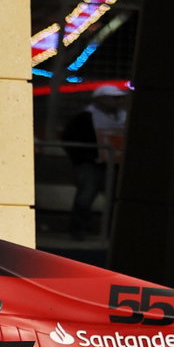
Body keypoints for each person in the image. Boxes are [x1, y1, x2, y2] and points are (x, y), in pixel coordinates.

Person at [63, 85, 129, 238]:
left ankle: (111, 233)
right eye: (113, 97)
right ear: (99, 99)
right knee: (85, 198)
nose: (117, 101)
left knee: (116, 200)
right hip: (91, 164)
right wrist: (85, 158)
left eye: (119, 98)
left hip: (115, 165)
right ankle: (79, 230)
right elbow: (69, 139)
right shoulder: (86, 117)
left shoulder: (124, 116)